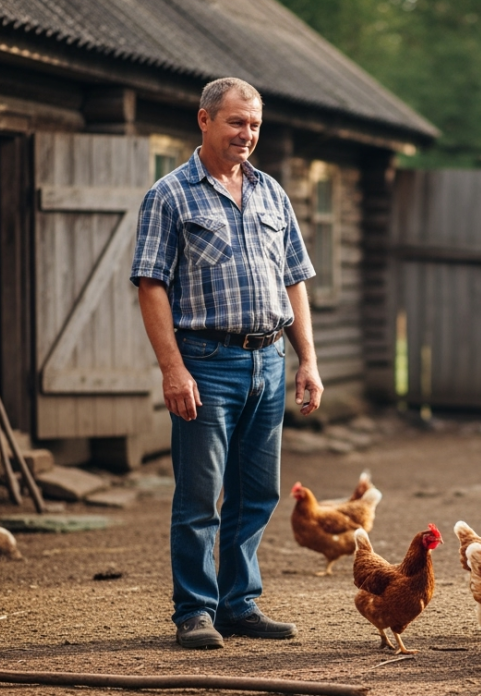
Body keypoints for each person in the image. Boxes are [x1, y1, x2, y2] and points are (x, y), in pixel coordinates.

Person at [130, 77, 323, 649]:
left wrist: (306, 360)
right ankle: (195, 610)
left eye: (255, 125)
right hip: (207, 363)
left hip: (267, 360)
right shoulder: (170, 195)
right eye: (237, 122)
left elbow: (295, 281)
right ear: (205, 121)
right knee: (199, 495)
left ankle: (239, 604)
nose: (247, 134)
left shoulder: (271, 194)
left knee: (257, 493)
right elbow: (150, 285)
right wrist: (173, 368)